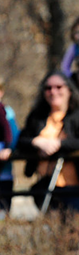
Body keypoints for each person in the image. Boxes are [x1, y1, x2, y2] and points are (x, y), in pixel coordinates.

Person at [17, 71, 79, 210]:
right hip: (45, 185)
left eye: (59, 87)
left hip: (76, 186)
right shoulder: (37, 116)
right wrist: (37, 142)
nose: (53, 92)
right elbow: (21, 140)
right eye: (48, 88)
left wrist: (59, 144)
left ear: (69, 90)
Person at [0, 77, 19, 213]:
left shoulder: (7, 112)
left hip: (3, 173)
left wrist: (7, 149)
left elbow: (13, 138)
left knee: (2, 213)